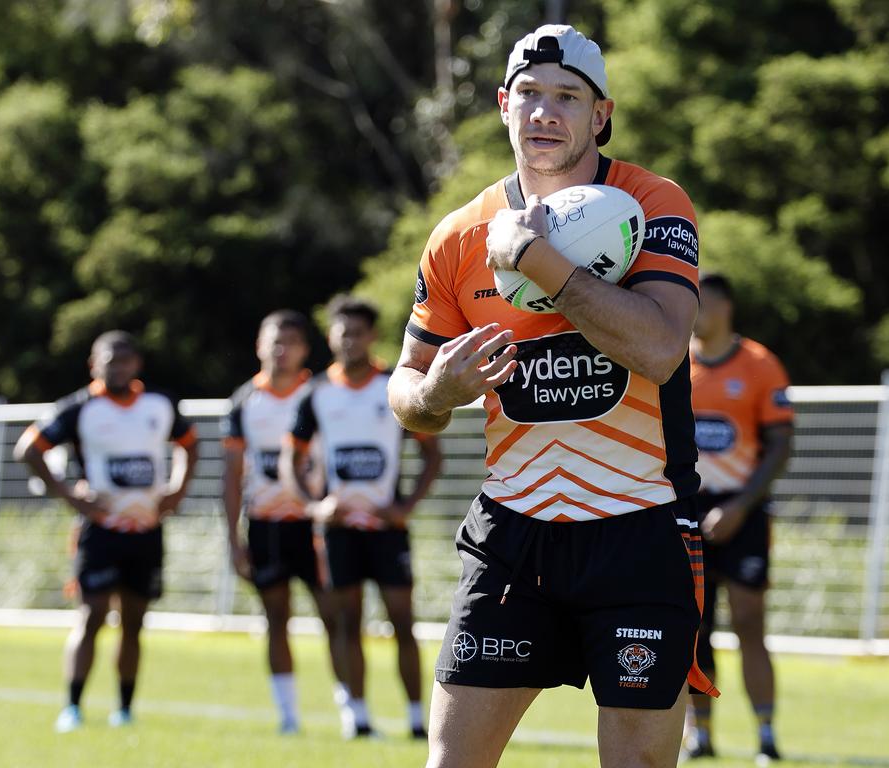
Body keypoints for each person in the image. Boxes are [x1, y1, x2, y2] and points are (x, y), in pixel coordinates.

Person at [387, 23, 717, 768]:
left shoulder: (652, 203)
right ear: (504, 106)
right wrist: (439, 387)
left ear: (600, 115)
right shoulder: (457, 235)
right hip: (514, 534)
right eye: (529, 95)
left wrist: (533, 260)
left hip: (638, 527)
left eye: (567, 97)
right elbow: (405, 391)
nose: (545, 112)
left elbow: (662, 349)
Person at [14, 330, 198, 732]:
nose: (118, 367)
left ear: (137, 364)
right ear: (94, 364)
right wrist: (70, 497)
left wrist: (178, 490)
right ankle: (74, 706)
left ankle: (125, 709)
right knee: (92, 614)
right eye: (109, 360)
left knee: (134, 621)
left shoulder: (159, 404)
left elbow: (190, 442)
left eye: (125, 360)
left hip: (146, 529)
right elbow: (28, 449)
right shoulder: (80, 408)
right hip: (100, 530)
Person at [279, 295, 442, 739]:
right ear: (330, 337)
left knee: (402, 624)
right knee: (348, 624)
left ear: (371, 336)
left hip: (387, 531)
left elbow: (432, 454)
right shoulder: (315, 394)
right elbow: (288, 461)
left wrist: (404, 507)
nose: (349, 340)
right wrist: (315, 508)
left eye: (358, 332)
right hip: (339, 532)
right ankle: (358, 716)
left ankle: (414, 719)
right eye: (342, 331)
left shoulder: (395, 385)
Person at [222, 309, 349, 733]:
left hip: (316, 524)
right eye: (274, 341)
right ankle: (288, 716)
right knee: (276, 619)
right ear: (259, 345)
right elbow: (232, 474)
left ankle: (353, 714)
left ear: (304, 349)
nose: (281, 350)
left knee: (335, 617)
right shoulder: (244, 400)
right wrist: (233, 540)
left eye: (290, 342)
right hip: (265, 526)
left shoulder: (319, 393)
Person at [685, 273, 794, 761]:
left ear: (724, 306)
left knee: (750, 622)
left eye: (700, 303)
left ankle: (766, 736)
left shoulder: (759, 364)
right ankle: (700, 734)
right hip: (688, 509)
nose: (691, 313)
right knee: (692, 627)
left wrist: (740, 506)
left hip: (742, 510)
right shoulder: (670, 359)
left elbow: (781, 445)